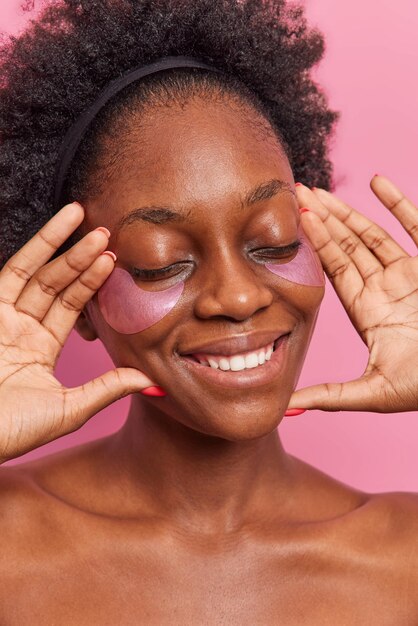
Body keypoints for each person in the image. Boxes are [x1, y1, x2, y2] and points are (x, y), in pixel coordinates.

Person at [0, 0, 417, 622]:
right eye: (163, 261)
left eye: (273, 242)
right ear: (78, 300)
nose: (240, 296)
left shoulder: (403, 557)